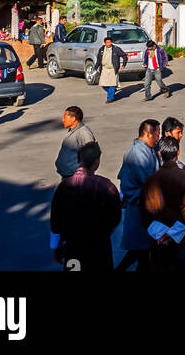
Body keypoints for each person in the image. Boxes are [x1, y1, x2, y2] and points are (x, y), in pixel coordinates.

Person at [49, 142, 122, 272]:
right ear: (97, 162)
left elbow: (55, 221)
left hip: (73, 249)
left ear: (78, 160)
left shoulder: (64, 187)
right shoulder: (107, 187)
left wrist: (56, 246)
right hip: (99, 250)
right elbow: (115, 218)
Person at [142, 136, 185, 270]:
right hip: (180, 237)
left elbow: (146, 211)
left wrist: (162, 234)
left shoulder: (150, 180)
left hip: (157, 238)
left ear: (159, 153)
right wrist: (173, 234)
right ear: (178, 153)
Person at [115, 119, 161, 271]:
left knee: (140, 252)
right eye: (157, 134)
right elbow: (148, 182)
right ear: (149, 134)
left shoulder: (147, 150)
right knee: (141, 251)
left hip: (143, 207)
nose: (158, 138)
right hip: (139, 208)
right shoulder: (138, 153)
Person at [55, 106, 96, 179]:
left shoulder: (84, 133)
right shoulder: (72, 130)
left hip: (76, 178)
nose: (63, 120)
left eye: (65, 117)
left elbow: (91, 156)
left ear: (73, 119)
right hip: (68, 176)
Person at [161, 117, 185, 181]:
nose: (181, 135)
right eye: (178, 132)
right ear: (167, 133)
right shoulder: (163, 147)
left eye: (181, 132)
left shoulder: (169, 144)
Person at [94, 36, 127, 103]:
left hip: (113, 69)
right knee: (103, 84)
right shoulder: (101, 49)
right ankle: (112, 91)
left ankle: (110, 98)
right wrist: (95, 68)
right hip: (104, 69)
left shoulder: (116, 49)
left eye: (110, 42)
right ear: (105, 43)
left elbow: (124, 56)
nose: (109, 44)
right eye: (107, 42)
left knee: (112, 84)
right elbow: (99, 60)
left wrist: (123, 64)